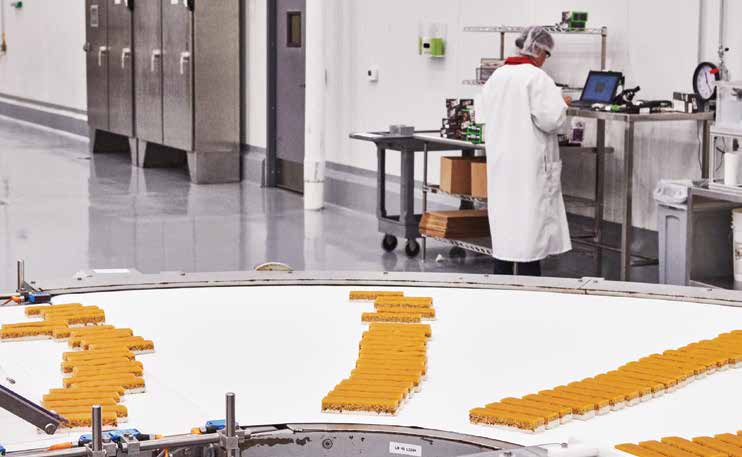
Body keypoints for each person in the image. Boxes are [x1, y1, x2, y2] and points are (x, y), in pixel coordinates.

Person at [480, 26, 572, 277]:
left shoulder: (497, 77)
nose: (545, 59)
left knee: (506, 226)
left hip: (502, 164)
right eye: (546, 54)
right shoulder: (537, 78)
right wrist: (562, 105)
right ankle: (530, 285)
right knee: (530, 230)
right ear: (537, 49)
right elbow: (551, 121)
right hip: (529, 167)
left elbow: (485, 114)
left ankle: (502, 277)